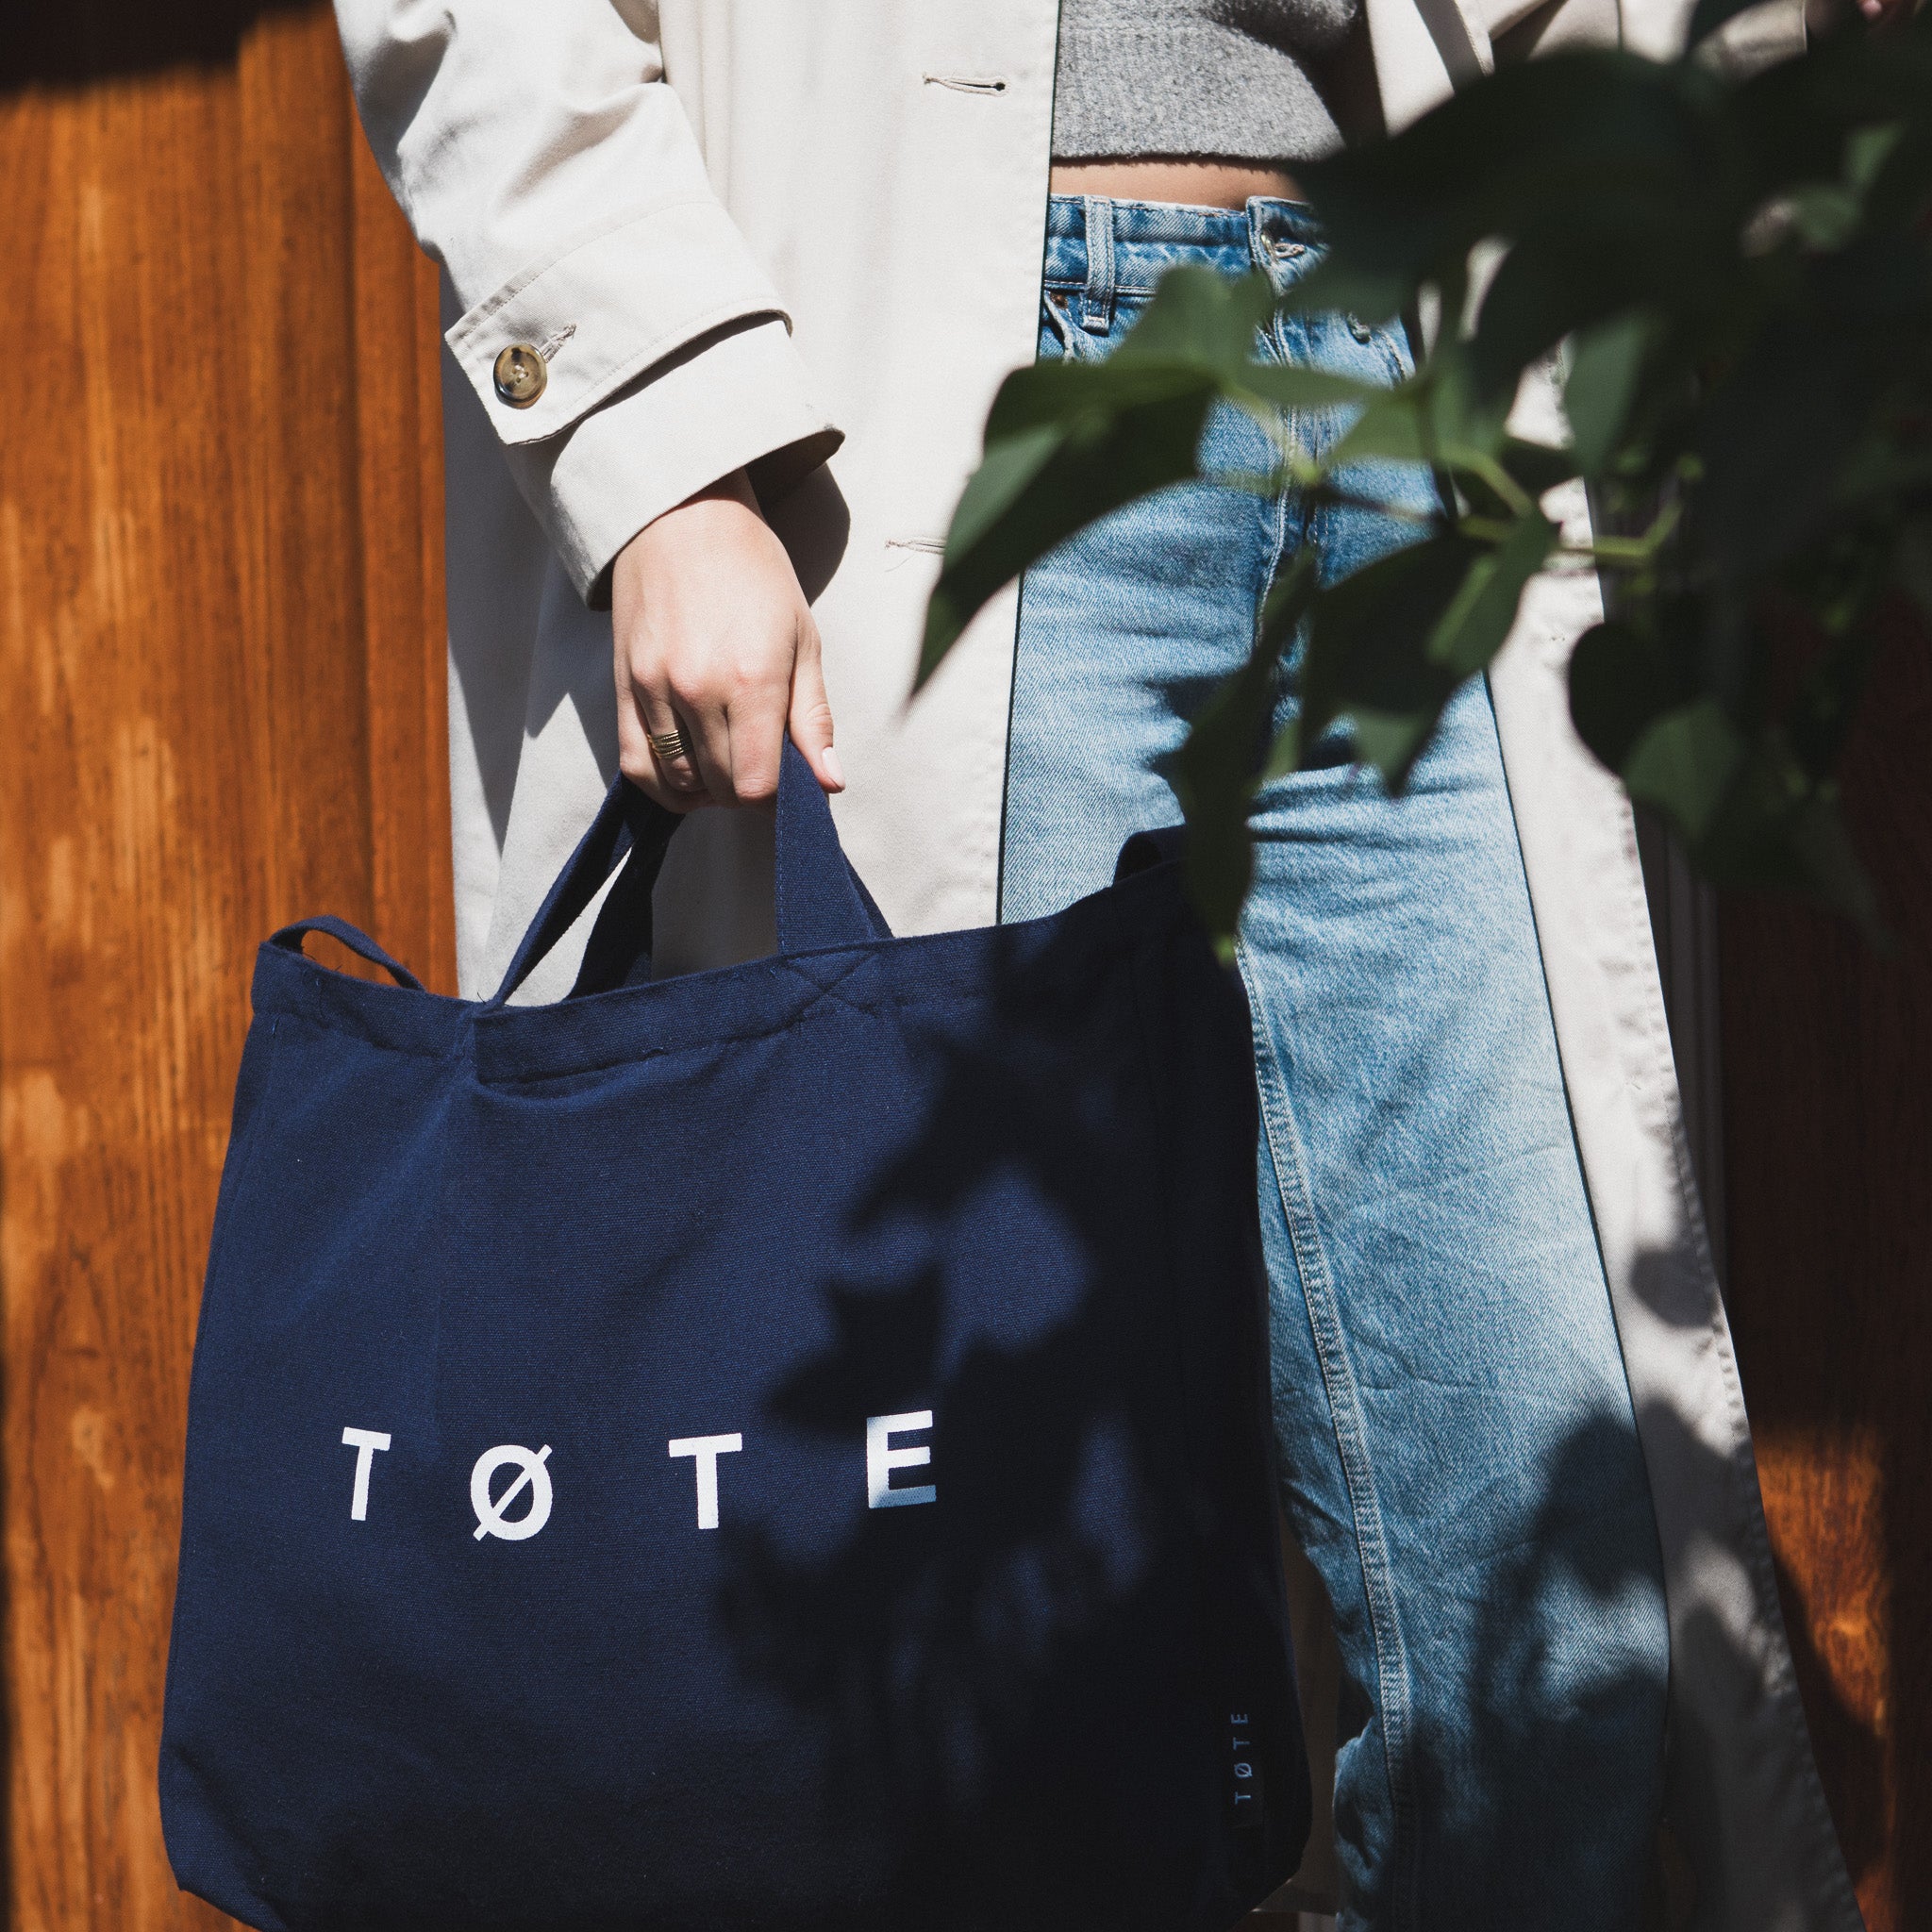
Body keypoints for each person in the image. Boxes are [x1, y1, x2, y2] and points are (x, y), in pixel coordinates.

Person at [334, 3, 1860, 1927]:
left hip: (1394, 409)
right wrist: (658, 443)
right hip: (911, 408)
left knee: (1553, 1638)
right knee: (983, 1659)